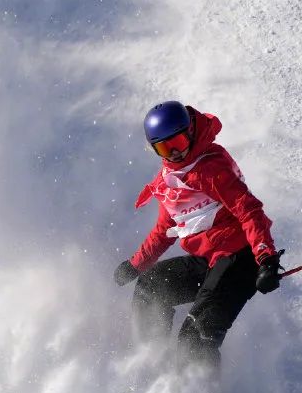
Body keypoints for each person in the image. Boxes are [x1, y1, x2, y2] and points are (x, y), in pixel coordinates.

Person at [114, 100, 283, 374]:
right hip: (209, 261)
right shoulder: (170, 181)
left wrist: (266, 259)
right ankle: (151, 364)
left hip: (240, 259)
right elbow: (164, 230)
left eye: (179, 142)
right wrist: (135, 265)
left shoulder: (210, 169)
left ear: (191, 131)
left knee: (195, 334)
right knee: (151, 288)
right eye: (165, 148)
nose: (176, 152)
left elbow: (249, 210)